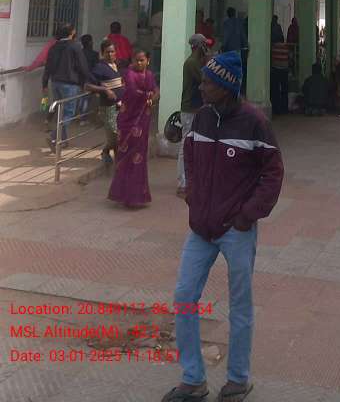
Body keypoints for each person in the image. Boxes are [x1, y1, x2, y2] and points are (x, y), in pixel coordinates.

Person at [163, 51, 284, 402]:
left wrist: (248, 215)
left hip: (236, 230)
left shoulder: (255, 123)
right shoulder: (202, 117)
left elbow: (273, 173)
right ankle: (193, 379)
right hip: (201, 227)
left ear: (227, 86)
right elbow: (189, 153)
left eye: (208, 82)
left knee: (240, 305)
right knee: (184, 296)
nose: (201, 87)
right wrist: (192, 191)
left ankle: (238, 380)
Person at [108, 50, 159, 207]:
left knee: (139, 158)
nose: (139, 63)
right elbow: (133, 92)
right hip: (128, 122)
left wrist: (153, 98)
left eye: (142, 60)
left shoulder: (149, 75)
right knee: (125, 157)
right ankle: (123, 194)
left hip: (142, 121)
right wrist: (147, 96)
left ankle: (137, 196)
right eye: (136, 60)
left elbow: (156, 91)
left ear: (148, 60)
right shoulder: (129, 74)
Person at [42, 25, 90, 147]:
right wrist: (86, 81)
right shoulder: (75, 46)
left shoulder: (54, 47)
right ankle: (54, 136)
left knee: (61, 111)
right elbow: (82, 66)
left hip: (55, 83)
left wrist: (44, 83)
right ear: (71, 33)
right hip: (70, 84)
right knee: (69, 112)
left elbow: (48, 67)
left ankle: (62, 140)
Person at [177, 34, 210, 198]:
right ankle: (182, 183)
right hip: (190, 109)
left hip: (197, 108)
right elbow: (204, 78)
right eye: (205, 45)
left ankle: (193, 180)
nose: (206, 48)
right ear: (199, 46)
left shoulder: (198, 62)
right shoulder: (191, 63)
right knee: (186, 145)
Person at [85, 39, 123, 167]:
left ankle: (108, 153)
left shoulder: (118, 65)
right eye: (107, 52)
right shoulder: (99, 67)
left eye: (112, 52)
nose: (110, 54)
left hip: (121, 106)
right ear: (102, 53)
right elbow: (87, 86)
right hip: (108, 107)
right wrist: (105, 90)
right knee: (114, 133)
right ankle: (110, 154)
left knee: (120, 134)